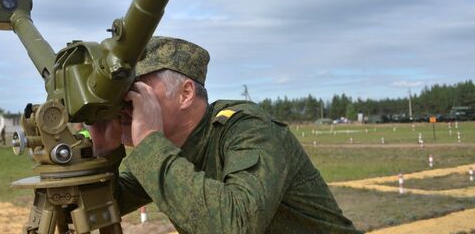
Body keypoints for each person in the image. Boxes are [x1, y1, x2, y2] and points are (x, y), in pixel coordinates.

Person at [89, 37, 362, 234]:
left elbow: (235, 224)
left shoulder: (247, 128)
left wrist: (148, 140)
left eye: (137, 90)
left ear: (185, 94)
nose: (125, 103)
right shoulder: (168, 147)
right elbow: (105, 205)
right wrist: (105, 154)